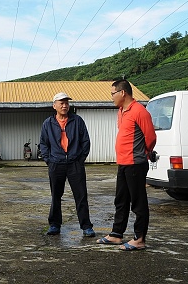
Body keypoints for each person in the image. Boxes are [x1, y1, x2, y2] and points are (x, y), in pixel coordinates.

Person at [97, 79, 156, 251]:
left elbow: (151, 138)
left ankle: (139, 239)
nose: (112, 98)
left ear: (122, 93)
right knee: (121, 200)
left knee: (138, 202)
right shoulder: (121, 111)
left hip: (135, 163)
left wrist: (142, 152)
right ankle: (116, 234)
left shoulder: (140, 111)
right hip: (123, 163)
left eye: (112, 94)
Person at [39, 92, 95, 238]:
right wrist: (49, 160)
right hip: (56, 164)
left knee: (81, 195)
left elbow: (85, 141)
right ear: (54, 106)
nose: (65, 106)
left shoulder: (77, 121)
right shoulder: (48, 123)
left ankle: (86, 226)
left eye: (66, 103)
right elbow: (43, 144)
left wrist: (80, 159)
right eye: (61, 103)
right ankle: (54, 225)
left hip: (74, 164)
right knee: (56, 196)